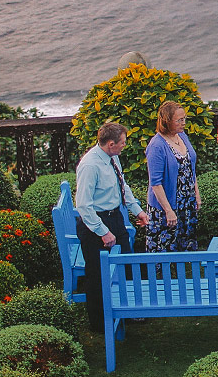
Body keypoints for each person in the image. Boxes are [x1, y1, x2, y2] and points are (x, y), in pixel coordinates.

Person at [75, 121, 148, 333]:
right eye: (122, 143)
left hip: (114, 217)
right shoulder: (90, 165)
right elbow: (83, 205)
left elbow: (122, 187)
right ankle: (100, 325)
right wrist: (103, 232)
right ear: (110, 143)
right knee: (97, 275)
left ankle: (128, 312)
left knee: (126, 264)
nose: (125, 146)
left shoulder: (112, 157)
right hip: (94, 223)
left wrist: (138, 211)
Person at [145, 101, 201, 251]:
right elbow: (155, 183)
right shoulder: (156, 146)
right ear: (167, 121)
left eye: (184, 119)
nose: (184, 123)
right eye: (179, 120)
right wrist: (168, 210)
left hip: (186, 203)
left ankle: (184, 272)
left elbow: (190, 168)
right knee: (164, 248)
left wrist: (196, 194)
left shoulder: (182, 136)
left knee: (185, 244)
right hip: (167, 205)